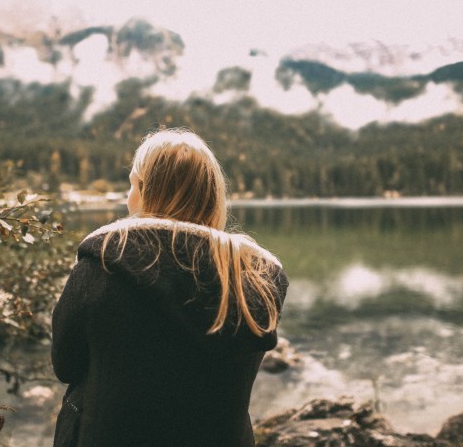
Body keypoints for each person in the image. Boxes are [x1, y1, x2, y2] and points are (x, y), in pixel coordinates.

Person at [51, 128, 289, 447]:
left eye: (132, 183)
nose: (128, 195)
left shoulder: (103, 261)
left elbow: (65, 365)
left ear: (145, 189)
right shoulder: (256, 275)